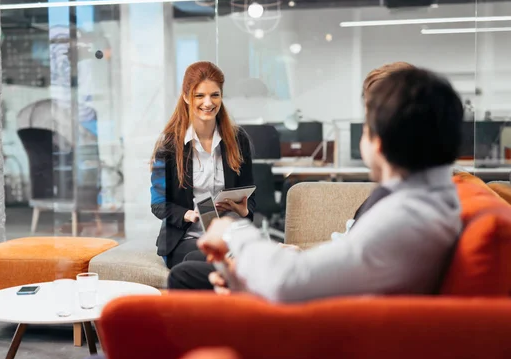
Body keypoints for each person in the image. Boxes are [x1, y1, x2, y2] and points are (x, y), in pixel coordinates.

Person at [196, 66, 464, 302]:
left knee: (188, 276)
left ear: (377, 143)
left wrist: (233, 232)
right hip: (333, 306)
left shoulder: (405, 217)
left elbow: (287, 282)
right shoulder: (428, 202)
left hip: (325, 327)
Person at [167, 61, 416, 291]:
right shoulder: (401, 196)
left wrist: (234, 234)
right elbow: (349, 254)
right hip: (319, 276)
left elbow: (325, 277)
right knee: (194, 265)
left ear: (381, 137)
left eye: (369, 121)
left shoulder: (399, 208)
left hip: (317, 294)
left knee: (185, 274)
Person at [150, 61, 256, 269]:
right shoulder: (171, 145)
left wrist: (243, 210)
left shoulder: (238, 139)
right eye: (200, 95)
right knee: (213, 260)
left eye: (214, 95)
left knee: (238, 256)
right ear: (186, 97)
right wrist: (188, 214)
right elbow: (158, 203)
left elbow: (251, 200)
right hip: (185, 239)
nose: (208, 103)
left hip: (228, 235)